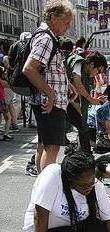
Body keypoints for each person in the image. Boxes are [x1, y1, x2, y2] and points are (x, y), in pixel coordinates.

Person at [23, 150, 110, 232]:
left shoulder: (95, 185)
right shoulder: (52, 175)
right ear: (70, 180)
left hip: (72, 226)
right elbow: (39, 214)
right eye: (84, 185)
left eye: (91, 182)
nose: (89, 187)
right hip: (45, 229)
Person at [22, 0, 75, 172]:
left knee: (44, 145)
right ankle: (46, 191)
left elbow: (48, 69)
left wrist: (66, 84)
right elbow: (29, 69)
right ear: (53, 18)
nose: (68, 27)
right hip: (49, 103)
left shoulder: (46, 36)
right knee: (52, 147)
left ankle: (41, 189)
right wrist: (51, 94)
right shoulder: (46, 38)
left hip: (45, 100)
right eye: (66, 23)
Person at [66, 51, 107, 152]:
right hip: (60, 102)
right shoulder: (79, 64)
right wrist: (91, 99)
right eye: (97, 71)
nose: (96, 75)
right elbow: (77, 82)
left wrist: (93, 100)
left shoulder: (87, 75)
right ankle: (85, 155)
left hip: (67, 103)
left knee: (83, 127)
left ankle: (84, 154)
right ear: (92, 64)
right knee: (50, 141)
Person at [87, 83, 110, 153]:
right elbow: (109, 129)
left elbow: (107, 115)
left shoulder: (107, 104)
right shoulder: (108, 108)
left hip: (94, 134)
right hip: (102, 140)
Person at [0, 66, 13, 141]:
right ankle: (6, 134)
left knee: (1, 118)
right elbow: (9, 85)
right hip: (1, 102)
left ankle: (6, 134)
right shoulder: (2, 81)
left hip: (2, 101)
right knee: (8, 118)